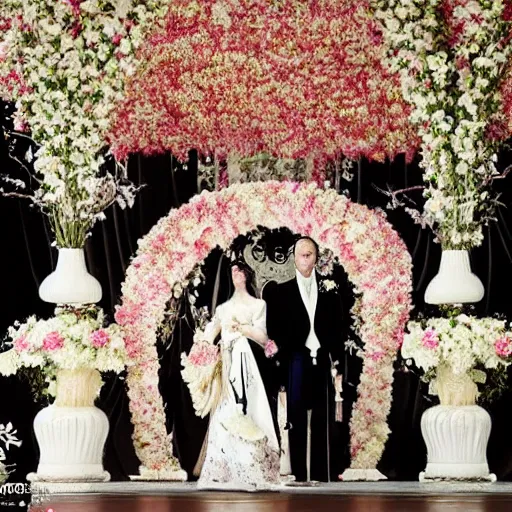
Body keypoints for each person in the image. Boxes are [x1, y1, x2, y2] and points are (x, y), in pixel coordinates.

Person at [190, 261, 280, 490]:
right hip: (226, 360)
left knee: (246, 405)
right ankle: (225, 465)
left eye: (239, 271)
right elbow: (211, 333)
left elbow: (262, 336)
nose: (235, 275)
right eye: (232, 272)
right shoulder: (223, 308)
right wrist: (201, 346)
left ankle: (251, 464)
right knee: (225, 408)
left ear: (247, 274)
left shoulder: (258, 305)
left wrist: (244, 329)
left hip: (244, 358)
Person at [266, 236, 344, 482]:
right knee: (296, 417)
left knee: (322, 415)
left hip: (321, 358)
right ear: (295, 258)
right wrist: (281, 366)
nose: (306, 259)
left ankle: (322, 473)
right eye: (302, 254)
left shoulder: (329, 289)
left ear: (317, 258)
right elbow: (274, 329)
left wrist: (337, 360)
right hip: (296, 358)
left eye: (310, 254)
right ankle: (300, 473)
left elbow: (338, 328)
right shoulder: (282, 291)